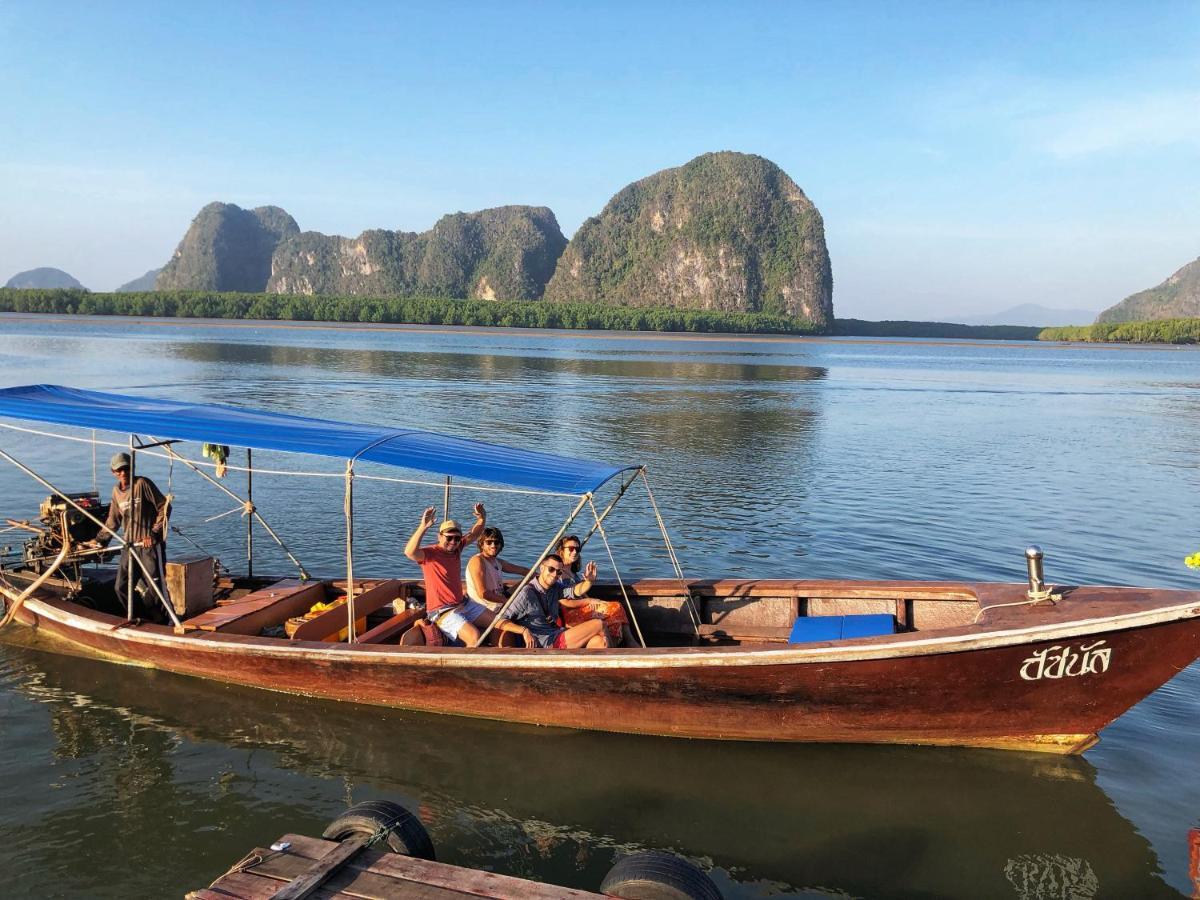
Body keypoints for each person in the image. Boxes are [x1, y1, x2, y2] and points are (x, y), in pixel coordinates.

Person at [88, 452, 171, 623]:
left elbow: (165, 507)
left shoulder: (142, 484)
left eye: (126, 468)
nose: (123, 473)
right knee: (120, 587)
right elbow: (113, 521)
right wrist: (99, 540)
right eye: (119, 470)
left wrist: (154, 533)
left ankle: (163, 622)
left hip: (149, 547)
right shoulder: (116, 492)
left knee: (155, 589)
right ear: (114, 472)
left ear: (132, 468)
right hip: (130, 546)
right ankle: (138, 617)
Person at [404, 502, 492, 644]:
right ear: (440, 536)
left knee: (497, 623)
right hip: (441, 611)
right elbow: (409, 552)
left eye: (457, 538)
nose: (453, 541)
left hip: (463, 603)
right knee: (475, 637)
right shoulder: (430, 554)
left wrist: (482, 518)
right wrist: (423, 527)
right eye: (449, 537)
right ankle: (464, 665)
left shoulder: (457, 548)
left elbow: (475, 534)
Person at [496, 554, 608, 649]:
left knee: (599, 641)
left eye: (559, 572)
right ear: (542, 568)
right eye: (551, 569)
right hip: (547, 644)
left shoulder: (555, 587)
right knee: (599, 624)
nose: (555, 574)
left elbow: (575, 591)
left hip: (557, 632)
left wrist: (589, 581)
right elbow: (498, 621)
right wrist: (523, 630)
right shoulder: (526, 594)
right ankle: (618, 657)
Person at [555, 534, 637, 647]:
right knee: (615, 608)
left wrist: (590, 595)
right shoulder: (557, 572)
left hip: (582, 607)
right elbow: (563, 601)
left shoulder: (572, 573)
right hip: (571, 614)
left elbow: (581, 592)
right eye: (571, 549)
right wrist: (588, 601)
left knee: (615, 614)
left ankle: (613, 644)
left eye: (577, 549)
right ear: (561, 551)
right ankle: (629, 642)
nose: (574, 552)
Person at [465, 527, 528, 612]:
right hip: (487, 607)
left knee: (530, 580)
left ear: (500, 544)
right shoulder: (477, 560)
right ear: (482, 544)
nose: (493, 545)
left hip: (500, 599)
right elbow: (483, 593)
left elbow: (523, 570)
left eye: (496, 542)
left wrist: (541, 576)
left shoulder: (497, 562)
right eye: (489, 542)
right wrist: (509, 602)